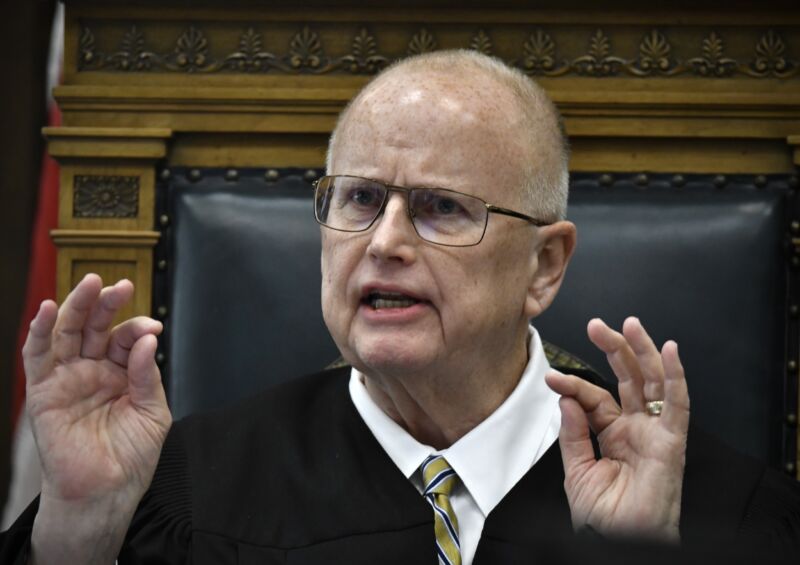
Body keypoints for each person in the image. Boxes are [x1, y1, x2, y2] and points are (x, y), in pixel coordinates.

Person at [2, 50, 799, 565]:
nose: (383, 241)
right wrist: (80, 530)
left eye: (440, 207)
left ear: (544, 265)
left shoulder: (718, 512)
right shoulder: (180, 492)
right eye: (357, 198)